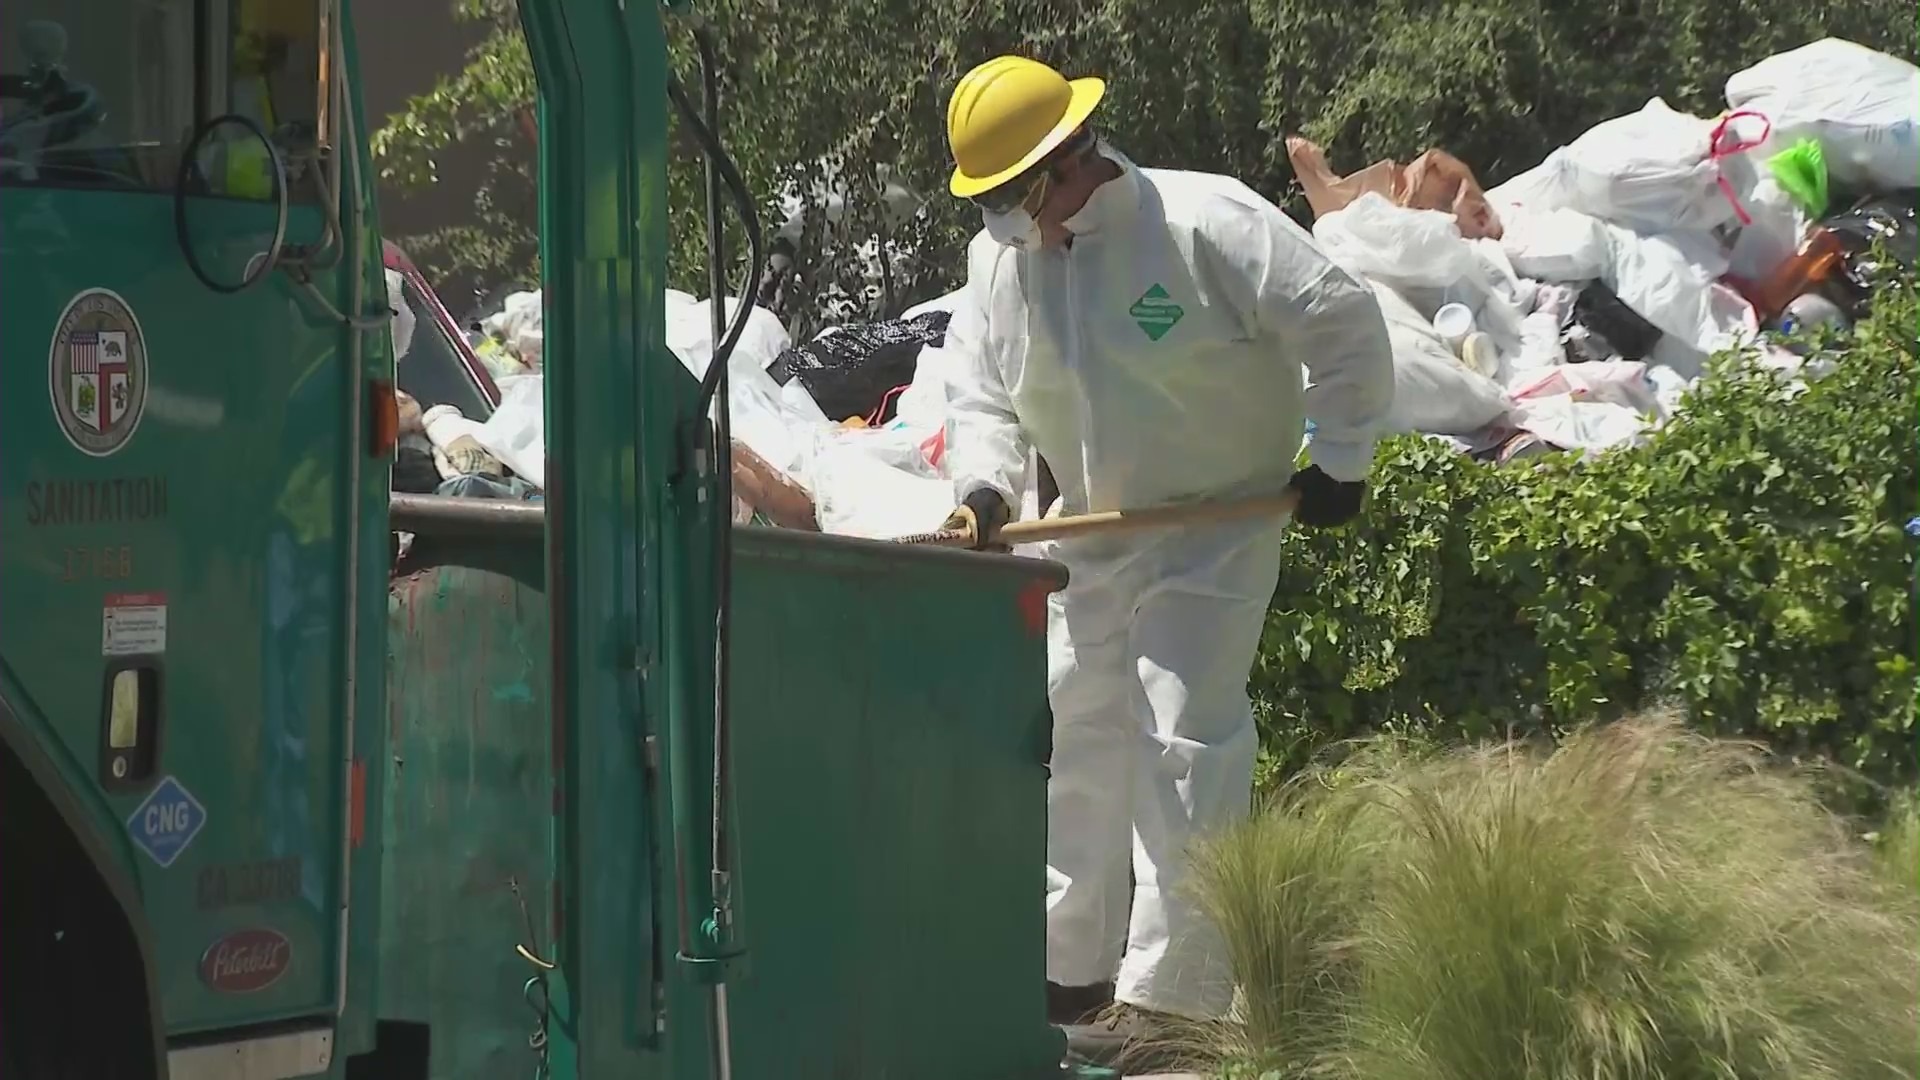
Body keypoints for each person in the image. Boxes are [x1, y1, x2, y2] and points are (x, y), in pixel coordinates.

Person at [935, 55, 1395, 1064]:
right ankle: (1069, 974)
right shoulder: (999, 265)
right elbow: (980, 396)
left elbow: (1346, 323)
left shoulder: (1204, 226)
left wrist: (1343, 460)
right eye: (991, 203)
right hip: (1089, 536)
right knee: (1082, 740)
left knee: (1184, 743)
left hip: (1214, 528)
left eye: (1015, 195)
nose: (1006, 220)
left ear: (1069, 160)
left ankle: (1173, 1012)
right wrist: (983, 488)